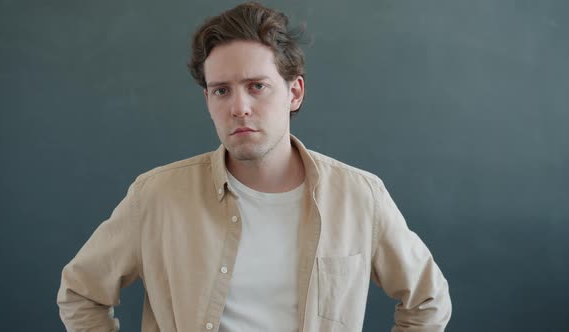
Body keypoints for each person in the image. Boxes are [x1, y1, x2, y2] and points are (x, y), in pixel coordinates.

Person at [57, 2, 451, 331]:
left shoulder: (358, 196)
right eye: (221, 90)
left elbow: (427, 300)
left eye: (257, 86)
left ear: (294, 92)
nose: (239, 107)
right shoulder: (156, 196)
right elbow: (81, 293)